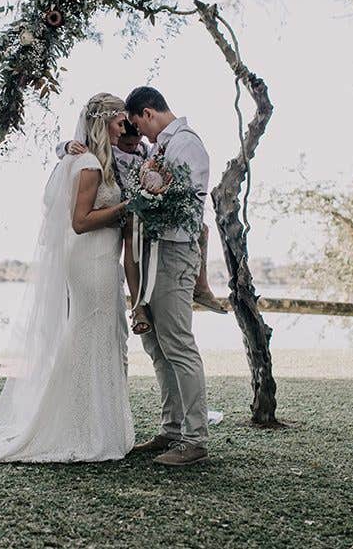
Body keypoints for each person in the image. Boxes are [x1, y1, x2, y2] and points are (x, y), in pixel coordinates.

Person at [0, 92, 134, 466]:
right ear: (104, 121)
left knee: (94, 339)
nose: (124, 127)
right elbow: (80, 222)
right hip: (92, 260)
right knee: (88, 338)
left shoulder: (91, 159)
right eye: (120, 120)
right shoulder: (90, 165)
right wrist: (127, 208)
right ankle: (81, 429)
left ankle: (93, 424)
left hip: (99, 259)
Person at [57, 122, 226, 334]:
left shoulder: (144, 150)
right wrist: (66, 146)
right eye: (129, 144)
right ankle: (137, 306)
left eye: (138, 142)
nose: (134, 147)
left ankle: (201, 285)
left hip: (145, 204)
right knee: (131, 238)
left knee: (202, 229)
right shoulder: (107, 151)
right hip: (122, 209)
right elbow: (65, 152)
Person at [125, 86, 210, 466]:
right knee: (158, 347)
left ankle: (195, 439)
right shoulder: (161, 147)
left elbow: (186, 204)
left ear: (148, 112)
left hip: (175, 252)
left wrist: (148, 201)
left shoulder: (186, 144)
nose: (140, 134)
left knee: (178, 344)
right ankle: (171, 429)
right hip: (153, 252)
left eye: (139, 125)